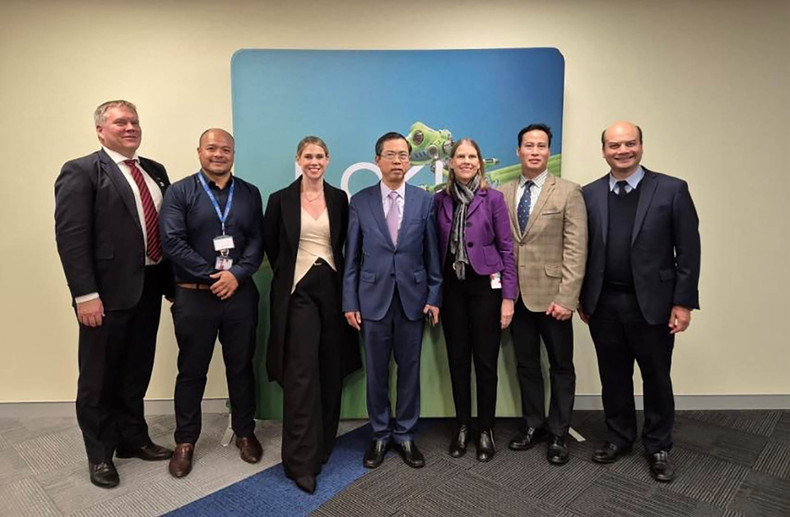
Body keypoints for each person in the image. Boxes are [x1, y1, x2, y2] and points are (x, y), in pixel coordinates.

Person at [54, 100, 174, 488]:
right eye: (120, 122)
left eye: (135, 121)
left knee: (136, 369)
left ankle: (132, 438)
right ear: (100, 130)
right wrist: (84, 294)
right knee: (98, 377)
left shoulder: (154, 171)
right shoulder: (82, 171)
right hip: (104, 294)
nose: (130, 127)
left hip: (150, 286)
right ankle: (100, 454)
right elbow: (72, 238)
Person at [579, 121, 700, 482]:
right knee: (613, 376)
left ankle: (659, 445)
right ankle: (619, 437)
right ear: (603, 151)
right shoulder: (589, 194)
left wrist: (683, 303)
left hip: (654, 304)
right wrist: (584, 297)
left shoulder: (672, 189)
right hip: (604, 304)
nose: (622, 151)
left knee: (656, 377)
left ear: (641, 147)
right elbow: (584, 251)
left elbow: (689, 252)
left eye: (629, 144)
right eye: (614, 145)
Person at [159, 128, 265, 478]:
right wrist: (212, 275)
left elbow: (256, 242)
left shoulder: (249, 193)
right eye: (212, 148)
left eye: (226, 149)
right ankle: (185, 441)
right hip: (194, 296)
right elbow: (172, 242)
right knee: (192, 371)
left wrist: (236, 275)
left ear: (234, 153)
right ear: (199, 151)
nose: (219, 154)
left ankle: (245, 431)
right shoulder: (179, 192)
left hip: (239, 295)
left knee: (241, 366)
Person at [263, 136, 361, 494]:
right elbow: (273, 247)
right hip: (298, 292)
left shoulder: (339, 199)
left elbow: (346, 244)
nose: (314, 161)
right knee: (301, 373)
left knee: (330, 368)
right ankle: (300, 461)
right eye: (308, 156)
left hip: (333, 289)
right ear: (298, 159)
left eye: (320, 156)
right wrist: (297, 275)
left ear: (328, 160)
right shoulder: (280, 199)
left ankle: (322, 446)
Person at [342, 132, 442, 469]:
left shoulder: (423, 201)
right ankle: (381, 433)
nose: (398, 160)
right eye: (391, 155)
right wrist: (350, 302)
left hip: (412, 300)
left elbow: (432, 256)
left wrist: (433, 295)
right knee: (377, 373)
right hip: (371, 301)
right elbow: (351, 258)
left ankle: (406, 435)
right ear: (377, 161)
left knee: (410, 371)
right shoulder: (360, 201)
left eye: (404, 155)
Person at [498, 123, 587, 465]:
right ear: (518, 151)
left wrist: (568, 298)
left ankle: (559, 433)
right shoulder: (502, 192)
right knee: (526, 365)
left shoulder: (568, 192)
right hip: (517, 297)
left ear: (549, 151)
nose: (535, 151)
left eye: (541, 146)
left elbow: (577, 250)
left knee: (561, 367)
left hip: (554, 299)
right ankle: (533, 425)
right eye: (528, 146)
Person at [433, 138, 516, 462]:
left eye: (472, 156)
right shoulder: (439, 201)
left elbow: (507, 250)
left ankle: (485, 430)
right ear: (451, 163)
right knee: (457, 362)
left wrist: (508, 298)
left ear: (480, 162)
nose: (466, 161)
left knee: (485, 363)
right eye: (460, 156)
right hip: (452, 290)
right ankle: (463, 427)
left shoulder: (493, 199)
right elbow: (433, 250)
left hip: (486, 289)